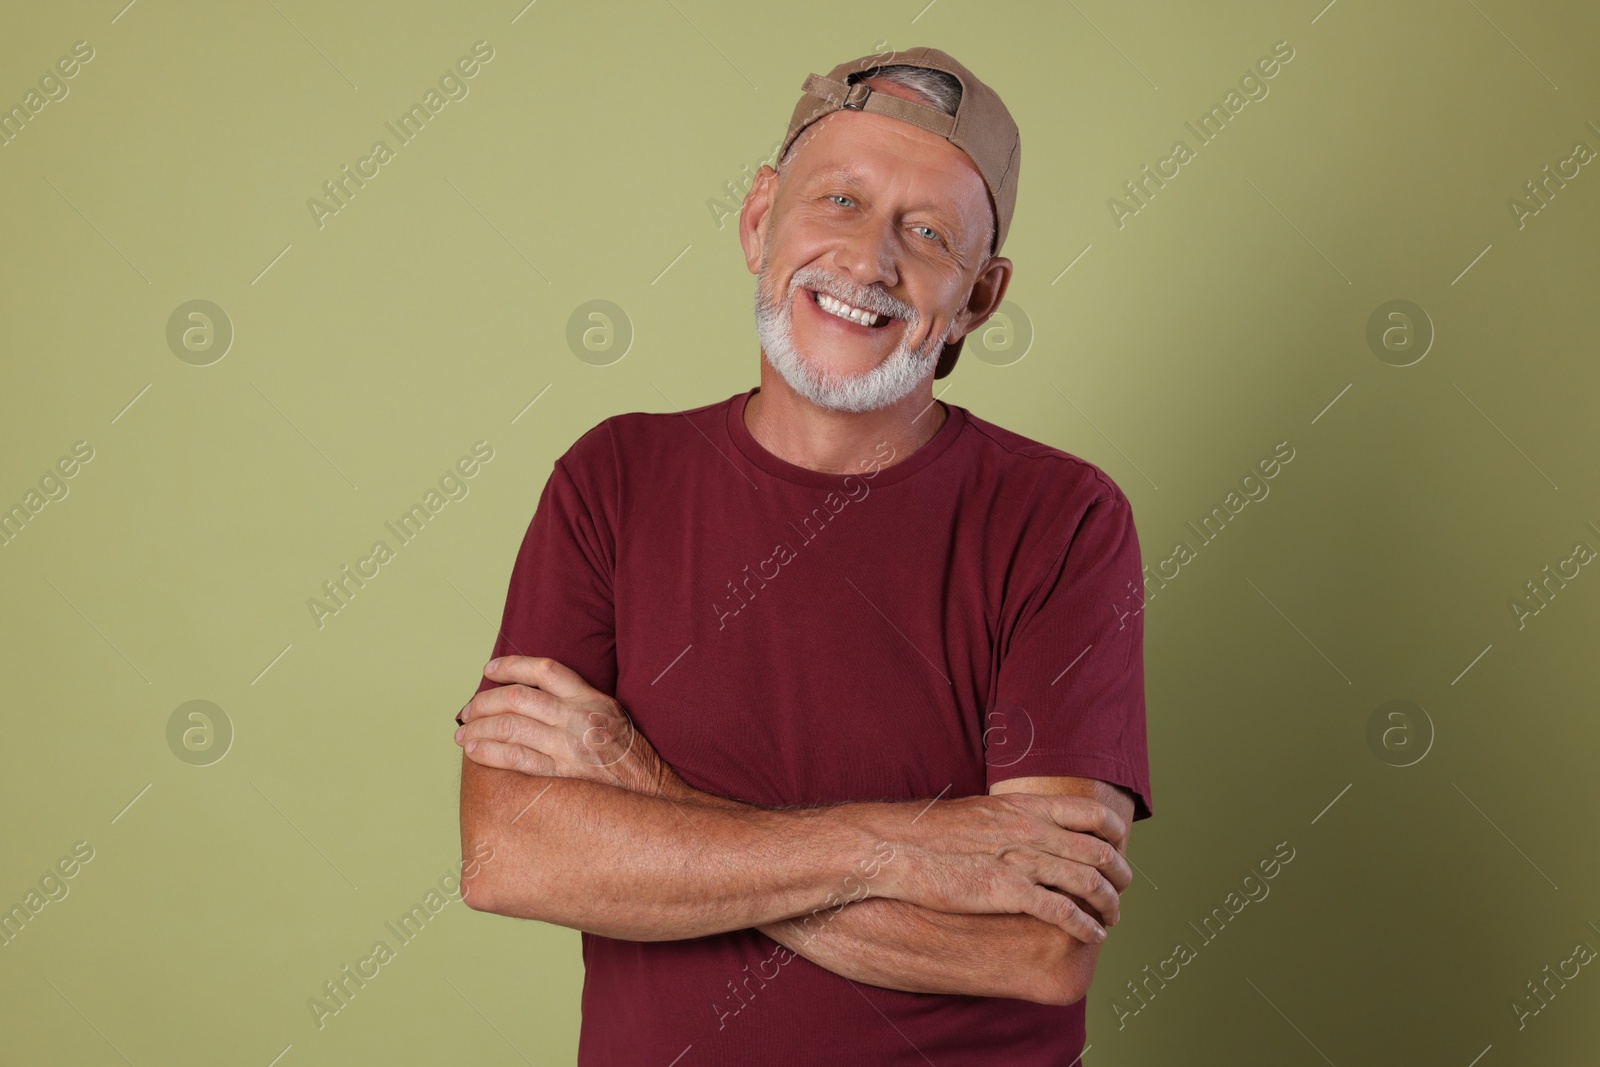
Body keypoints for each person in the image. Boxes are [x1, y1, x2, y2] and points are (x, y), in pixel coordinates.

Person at [453, 46, 1153, 1065]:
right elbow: (510, 855)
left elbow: (1036, 948)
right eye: (840, 200)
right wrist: (911, 847)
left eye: (927, 233)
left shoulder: (1062, 519)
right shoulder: (613, 479)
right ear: (757, 220)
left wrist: (639, 789)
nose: (870, 261)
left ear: (977, 299)